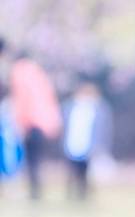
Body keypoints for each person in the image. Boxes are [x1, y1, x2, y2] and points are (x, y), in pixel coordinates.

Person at [4, 45, 62, 201]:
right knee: (36, 161)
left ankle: (34, 194)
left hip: (31, 123)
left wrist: (20, 123)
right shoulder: (37, 71)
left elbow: (22, 101)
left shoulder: (19, 72)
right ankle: (35, 193)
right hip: (44, 122)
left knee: (31, 161)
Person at [62, 80, 113, 200]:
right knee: (71, 173)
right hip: (73, 146)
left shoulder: (99, 110)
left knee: (86, 174)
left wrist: (100, 147)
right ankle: (71, 196)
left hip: (89, 148)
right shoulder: (70, 108)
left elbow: (103, 130)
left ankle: (83, 196)